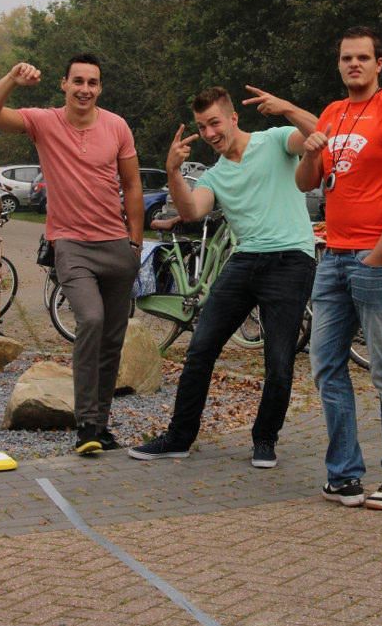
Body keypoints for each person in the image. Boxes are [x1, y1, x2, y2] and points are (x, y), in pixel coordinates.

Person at [128, 85, 318, 468]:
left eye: (215, 122)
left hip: (291, 260)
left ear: (233, 118)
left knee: (279, 359)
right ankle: (179, 437)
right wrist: (172, 171)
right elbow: (192, 210)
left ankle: (265, 439)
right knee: (200, 349)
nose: (210, 133)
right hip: (245, 259)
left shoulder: (275, 140)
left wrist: (286, 108)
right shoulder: (214, 177)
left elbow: (319, 133)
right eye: (202, 126)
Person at [0, 55, 144, 455]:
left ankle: (100, 426)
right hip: (71, 244)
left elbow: (133, 184)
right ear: (64, 85)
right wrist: (12, 79)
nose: (85, 89)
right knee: (90, 320)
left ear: (100, 88)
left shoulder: (116, 126)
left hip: (116, 246)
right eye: (78, 81)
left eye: (92, 82)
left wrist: (135, 243)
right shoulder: (45, 121)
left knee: (111, 338)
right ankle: (86, 425)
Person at [296, 27, 382, 509]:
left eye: (363, 58)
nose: (354, 64)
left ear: (379, 64)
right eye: (346, 58)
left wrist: (379, 252)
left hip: (380, 258)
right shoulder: (333, 113)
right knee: (326, 365)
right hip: (333, 256)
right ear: (339, 64)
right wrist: (311, 151)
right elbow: (306, 182)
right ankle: (345, 475)